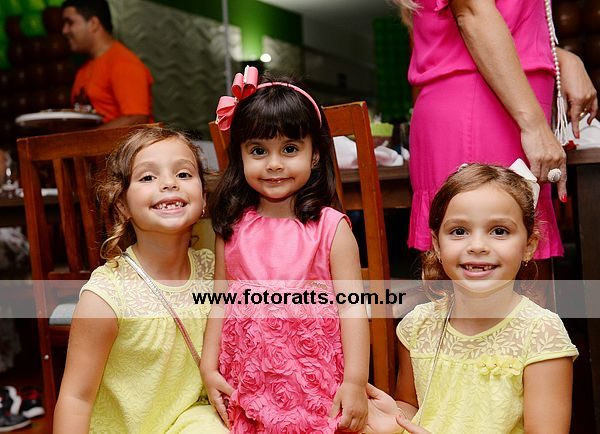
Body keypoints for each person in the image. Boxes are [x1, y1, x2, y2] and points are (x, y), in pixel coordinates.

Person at [200, 67, 369, 433]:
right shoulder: (231, 227)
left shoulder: (331, 229)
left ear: (314, 155)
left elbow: (353, 309)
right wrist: (208, 368)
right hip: (245, 388)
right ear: (240, 155)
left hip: (315, 390)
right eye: (258, 151)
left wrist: (355, 382)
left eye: (289, 149)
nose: (274, 164)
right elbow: (219, 301)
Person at [364, 162, 578, 434]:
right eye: (459, 231)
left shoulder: (542, 333)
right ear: (437, 244)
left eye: (499, 231)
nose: (477, 246)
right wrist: (394, 420)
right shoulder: (417, 326)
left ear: (529, 246)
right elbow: (412, 405)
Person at [394, 0, 598, 263]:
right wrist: (535, 126)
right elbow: (473, 14)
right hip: (483, 110)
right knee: (489, 254)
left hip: (504, 106)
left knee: (515, 253)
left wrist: (561, 57)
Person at [53, 127, 227, 433]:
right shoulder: (107, 297)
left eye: (184, 174)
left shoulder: (214, 273)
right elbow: (75, 398)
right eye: (147, 177)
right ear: (122, 205)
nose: (169, 183)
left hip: (189, 420)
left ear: (203, 198)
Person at [61, 0, 154, 128]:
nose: (64, 30)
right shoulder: (85, 67)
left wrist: (85, 137)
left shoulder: (123, 63)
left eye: (70, 22)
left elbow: (137, 119)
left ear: (93, 23)